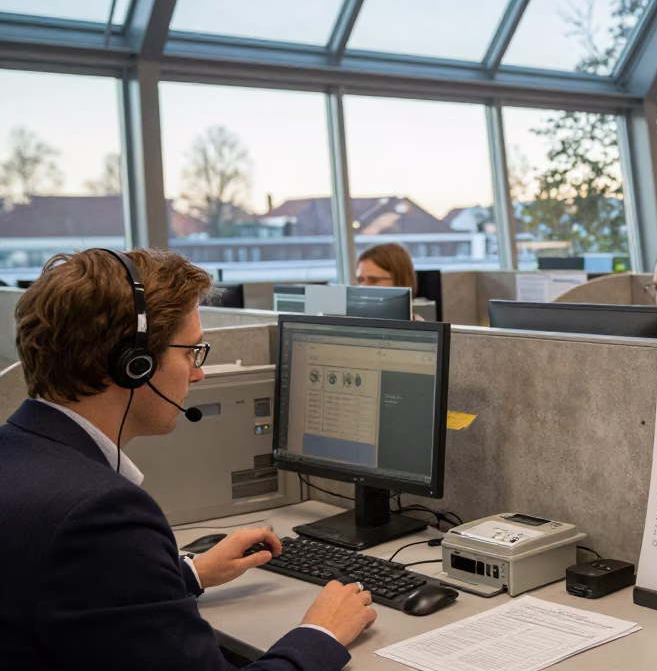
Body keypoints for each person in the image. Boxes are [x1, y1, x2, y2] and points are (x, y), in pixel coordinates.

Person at [0, 249, 375, 669]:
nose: (197, 374)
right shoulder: (100, 514)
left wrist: (188, 574)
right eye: (190, 352)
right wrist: (320, 634)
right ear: (133, 364)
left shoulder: (13, 454)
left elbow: (70, 588)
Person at [357, 242, 424, 321]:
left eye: (374, 280)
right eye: (361, 280)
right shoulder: (353, 325)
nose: (363, 287)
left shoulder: (422, 331)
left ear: (400, 281)